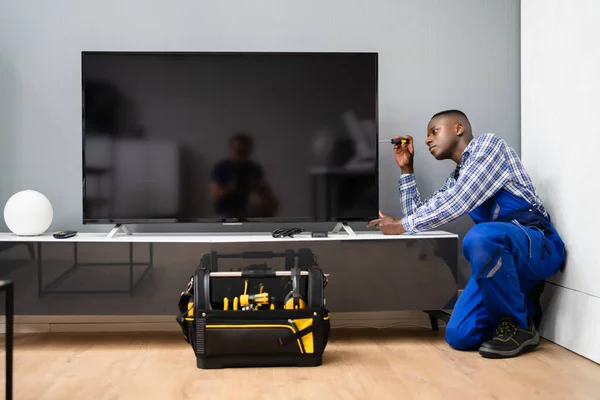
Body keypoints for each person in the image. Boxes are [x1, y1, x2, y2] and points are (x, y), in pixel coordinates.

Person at [367, 109, 565, 359]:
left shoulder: (489, 146)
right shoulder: (458, 178)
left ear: (458, 128)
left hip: (537, 247)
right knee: (459, 335)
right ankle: (521, 305)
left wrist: (402, 225)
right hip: (503, 260)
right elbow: (419, 217)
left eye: (434, 131)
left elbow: (460, 200)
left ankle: (519, 325)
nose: (428, 140)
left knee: (480, 237)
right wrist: (407, 170)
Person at [210, 133, 278, 219]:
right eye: (237, 151)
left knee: (271, 204)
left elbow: (266, 194)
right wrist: (229, 188)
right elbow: (215, 195)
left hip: (245, 210)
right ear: (231, 149)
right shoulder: (221, 168)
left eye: (244, 151)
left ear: (249, 150)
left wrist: (256, 186)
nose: (240, 155)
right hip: (226, 212)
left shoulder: (253, 168)